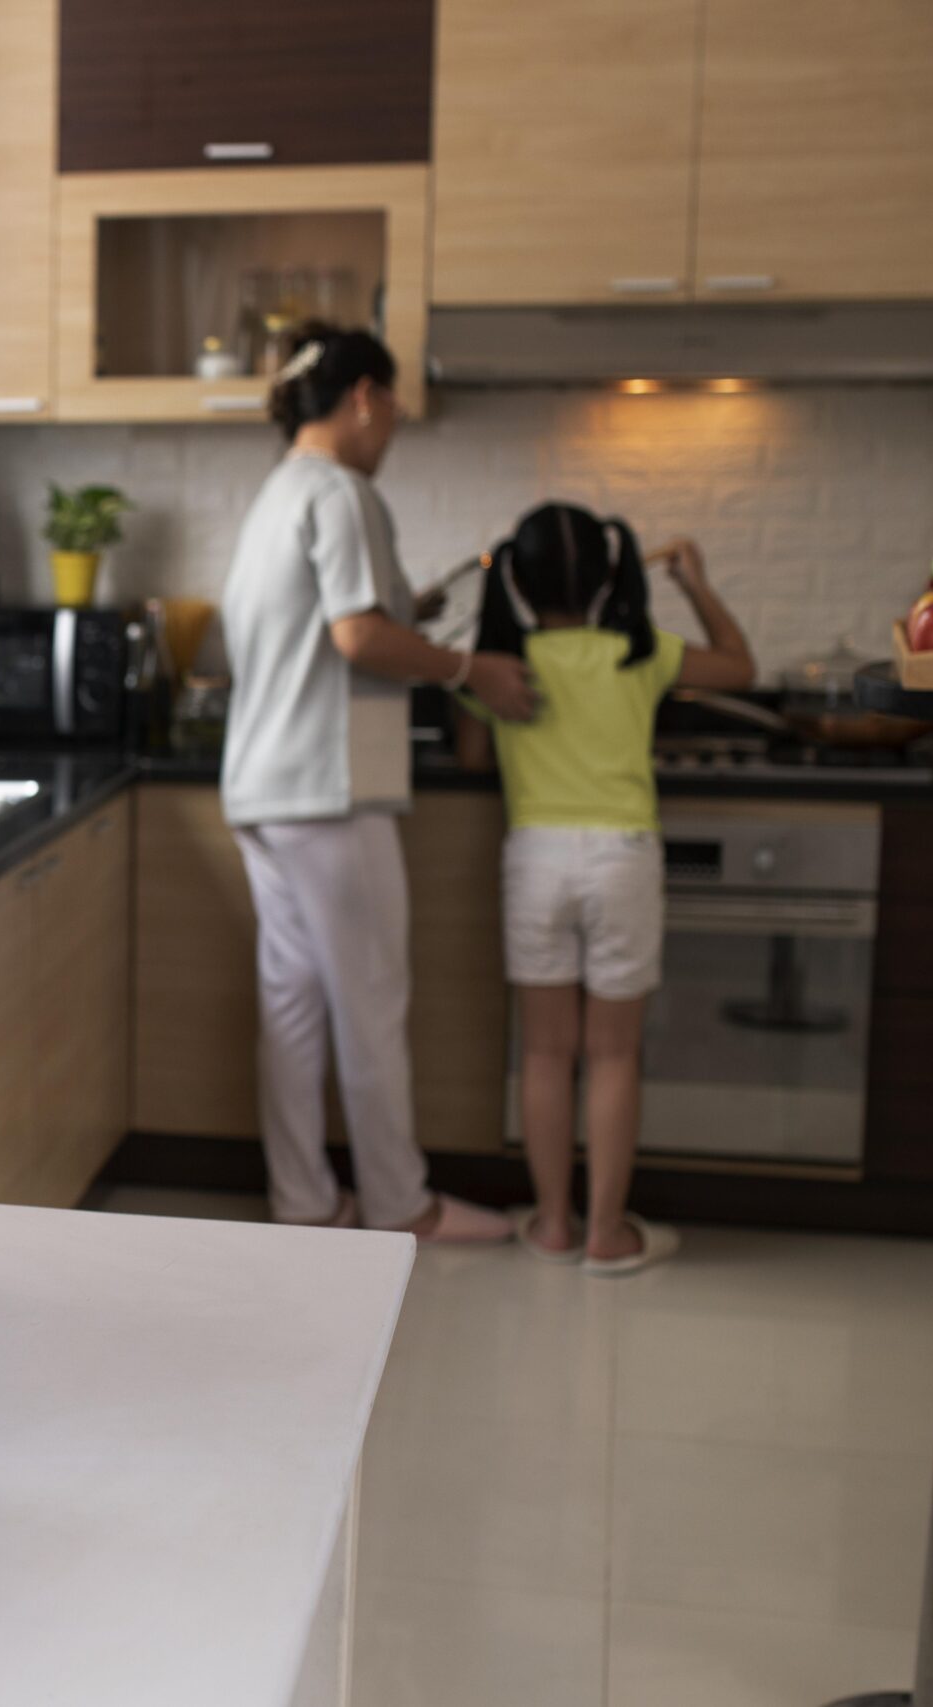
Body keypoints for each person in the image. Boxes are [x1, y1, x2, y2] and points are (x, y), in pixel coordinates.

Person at [219, 324, 538, 1241]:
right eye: (393, 402)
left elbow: (337, 627)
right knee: (369, 999)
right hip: (330, 786)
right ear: (363, 395)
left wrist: (417, 617)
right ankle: (404, 1204)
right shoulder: (344, 490)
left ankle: (306, 1200)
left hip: (264, 783)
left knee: (293, 1000)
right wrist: (470, 669)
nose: (395, 422)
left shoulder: (280, 493)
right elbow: (358, 637)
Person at [455, 504, 755, 1275]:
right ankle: (607, 1233)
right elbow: (739, 666)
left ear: (517, 578)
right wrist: (696, 584)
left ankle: (553, 1223)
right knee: (614, 1052)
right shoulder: (639, 648)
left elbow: (474, 759)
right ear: (610, 572)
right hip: (623, 856)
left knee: (547, 1053)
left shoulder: (497, 661)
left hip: (536, 858)